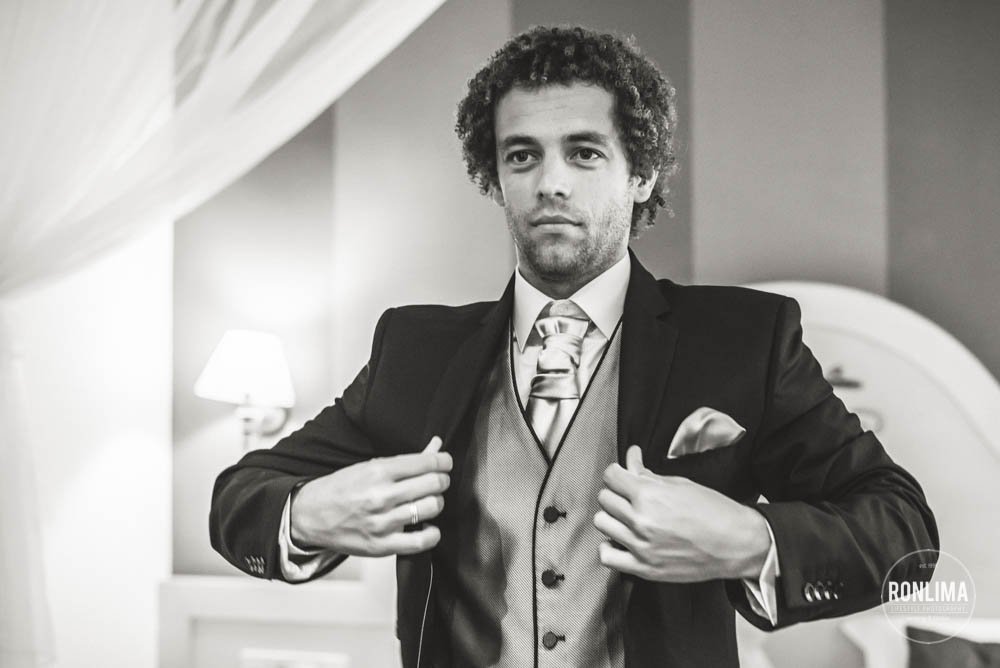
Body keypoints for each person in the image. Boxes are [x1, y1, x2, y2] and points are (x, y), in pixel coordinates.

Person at [210, 25, 938, 668]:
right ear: (496, 176)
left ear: (641, 172)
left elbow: (906, 535)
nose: (550, 183)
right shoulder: (414, 349)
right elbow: (240, 495)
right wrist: (305, 515)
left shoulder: (743, 339)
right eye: (522, 156)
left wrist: (750, 538)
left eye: (584, 153)